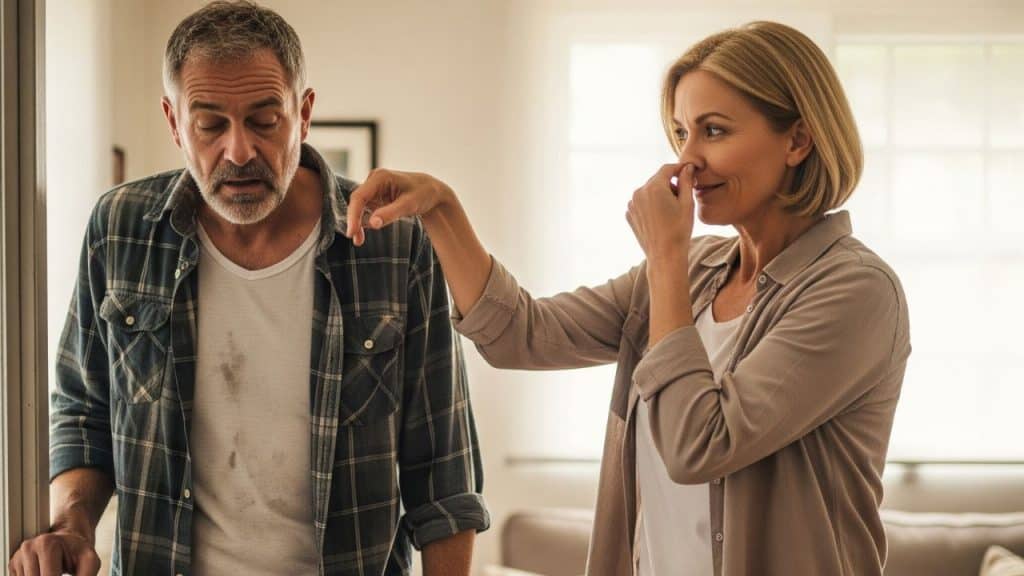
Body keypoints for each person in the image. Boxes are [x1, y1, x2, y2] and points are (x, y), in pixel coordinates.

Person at [344, 20, 911, 576]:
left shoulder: (856, 291)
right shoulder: (696, 269)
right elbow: (521, 336)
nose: (687, 159)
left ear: (798, 140)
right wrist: (442, 208)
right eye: (681, 133)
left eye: (714, 131)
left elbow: (699, 445)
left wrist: (665, 256)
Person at [8, 2, 487, 575]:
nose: (239, 152)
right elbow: (83, 415)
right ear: (173, 121)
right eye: (210, 125)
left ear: (303, 114)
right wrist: (71, 526)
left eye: (264, 121)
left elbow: (443, 471)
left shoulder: (394, 242)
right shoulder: (120, 228)